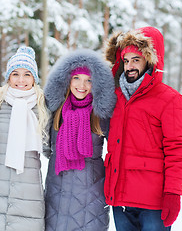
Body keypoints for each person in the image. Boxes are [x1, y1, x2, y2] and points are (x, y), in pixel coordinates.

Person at [103, 26, 182, 231]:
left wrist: (173, 193)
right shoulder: (115, 98)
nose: (130, 66)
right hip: (120, 199)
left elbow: (177, 151)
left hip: (152, 203)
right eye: (126, 60)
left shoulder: (170, 99)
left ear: (150, 60)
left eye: (136, 59)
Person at [43, 49, 116, 231]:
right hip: (56, 192)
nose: (82, 84)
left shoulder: (101, 114)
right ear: (67, 80)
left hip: (90, 197)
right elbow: (44, 146)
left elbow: (118, 147)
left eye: (89, 80)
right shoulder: (55, 111)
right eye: (76, 78)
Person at [0, 46, 49, 231]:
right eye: (15, 74)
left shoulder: (42, 107)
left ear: (34, 78)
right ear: (8, 76)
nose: (21, 80)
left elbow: (50, 148)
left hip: (28, 198)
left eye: (27, 74)